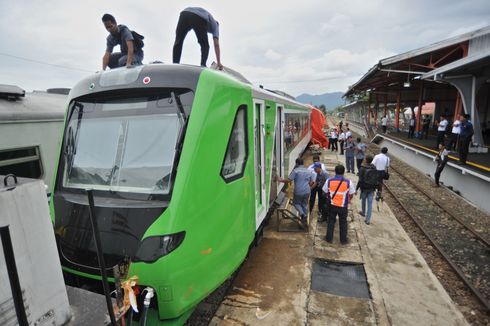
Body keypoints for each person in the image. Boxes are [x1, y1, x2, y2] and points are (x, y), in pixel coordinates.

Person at [322, 165, 356, 244]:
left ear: (335, 171)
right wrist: (347, 200)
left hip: (332, 205)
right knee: (343, 223)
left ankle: (329, 238)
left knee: (331, 222)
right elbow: (351, 194)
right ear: (343, 172)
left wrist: (329, 197)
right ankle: (343, 240)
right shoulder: (348, 182)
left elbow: (324, 191)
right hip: (343, 206)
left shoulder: (329, 181)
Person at [279, 158, 314, 224]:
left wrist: (280, 180)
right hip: (307, 191)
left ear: (297, 163)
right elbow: (311, 182)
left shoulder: (296, 171)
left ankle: (302, 214)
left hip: (298, 191)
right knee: (305, 204)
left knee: (296, 203)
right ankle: (305, 219)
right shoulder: (308, 171)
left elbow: (289, 180)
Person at [356, 155, 378, 224]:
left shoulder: (362, 168)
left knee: (363, 199)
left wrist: (356, 189)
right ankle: (368, 220)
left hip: (364, 187)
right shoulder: (374, 168)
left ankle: (363, 212)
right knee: (370, 204)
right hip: (372, 188)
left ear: (366, 160)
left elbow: (360, 180)